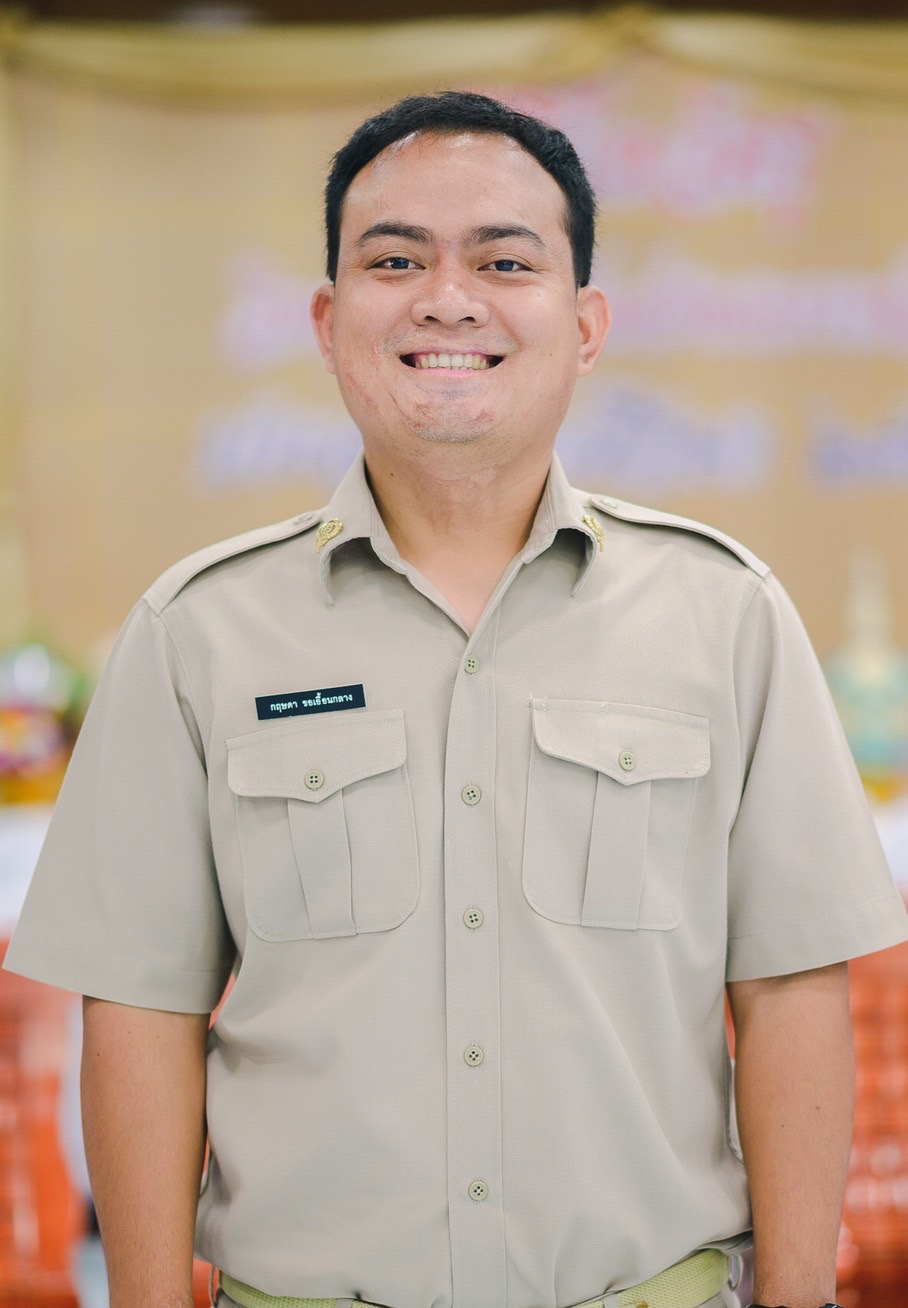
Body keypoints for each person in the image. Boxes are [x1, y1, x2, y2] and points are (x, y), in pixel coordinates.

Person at [6, 90, 908, 1308]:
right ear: (327, 321)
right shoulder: (197, 632)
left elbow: (788, 989)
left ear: (583, 326)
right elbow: (141, 1014)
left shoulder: (726, 614)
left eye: (502, 261)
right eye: (394, 260)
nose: (445, 298)